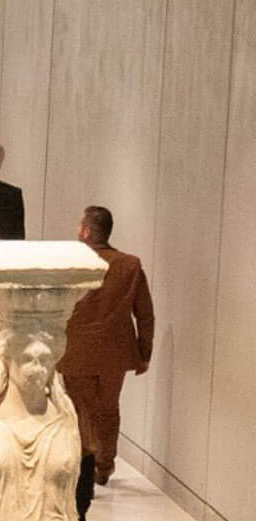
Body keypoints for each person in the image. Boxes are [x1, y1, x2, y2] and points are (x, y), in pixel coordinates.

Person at [61, 205, 155, 486]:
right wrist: (144, 352)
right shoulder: (130, 265)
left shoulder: (72, 263)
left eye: (80, 225)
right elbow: (145, 313)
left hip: (77, 350)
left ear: (87, 231)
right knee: (108, 409)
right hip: (115, 352)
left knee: (80, 409)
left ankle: (83, 465)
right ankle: (104, 465)